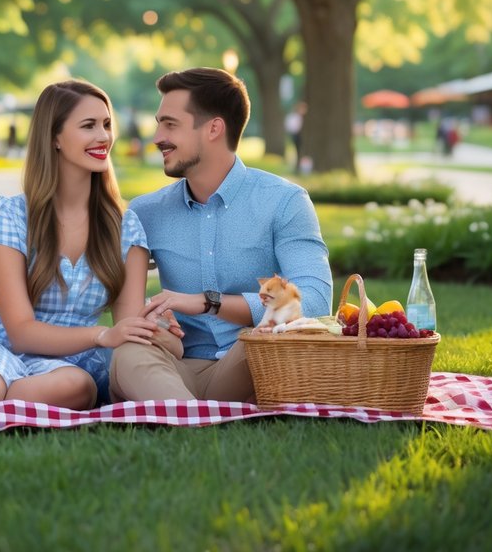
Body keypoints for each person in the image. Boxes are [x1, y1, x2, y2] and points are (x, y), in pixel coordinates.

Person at [0, 80, 180, 409]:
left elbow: (126, 326)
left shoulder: (125, 227)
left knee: (76, 386)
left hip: (67, 365)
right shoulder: (11, 214)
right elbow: (20, 331)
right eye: (88, 126)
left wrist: (160, 329)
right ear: (54, 138)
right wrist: (99, 336)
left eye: (107, 125)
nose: (103, 137)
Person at [110, 67, 332, 403]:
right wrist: (157, 321)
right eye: (159, 123)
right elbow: (125, 308)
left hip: (251, 360)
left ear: (214, 128)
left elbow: (315, 300)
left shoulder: (284, 202)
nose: (157, 137)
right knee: (127, 353)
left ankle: (181, 415)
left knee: (268, 337)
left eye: (170, 124)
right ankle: (191, 414)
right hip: (177, 366)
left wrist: (208, 302)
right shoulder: (146, 212)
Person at [286, 101, 306, 173]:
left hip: (297, 135)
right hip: (296, 135)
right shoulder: (295, 117)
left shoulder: (297, 117)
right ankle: (298, 167)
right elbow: (292, 127)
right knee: (298, 151)